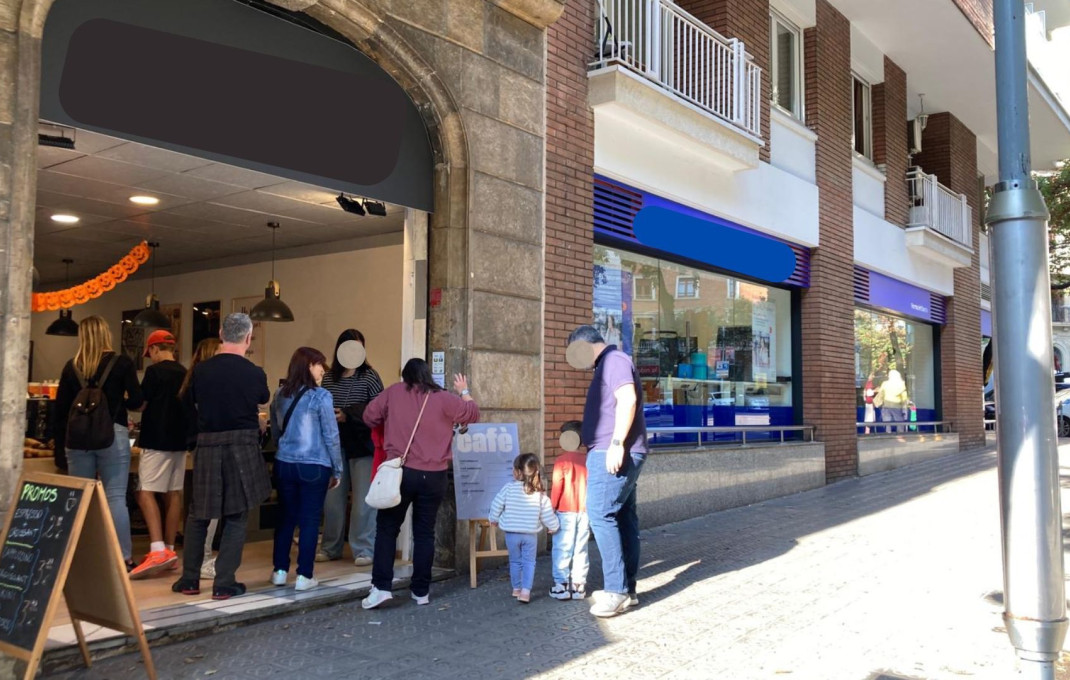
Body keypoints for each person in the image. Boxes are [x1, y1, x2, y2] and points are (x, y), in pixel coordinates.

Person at [360, 359, 480, 609]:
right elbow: (473, 415)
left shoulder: (393, 392)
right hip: (434, 476)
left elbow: (369, 416)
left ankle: (382, 587)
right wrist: (464, 392)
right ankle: (421, 591)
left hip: (400, 473)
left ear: (405, 375)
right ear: (428, 375)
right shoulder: (444, 398)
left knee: (387, 529)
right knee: (425, 533)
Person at [172, 313, 272, 601]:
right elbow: (262, 398)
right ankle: (224, 582)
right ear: (248, 337)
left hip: (207, 445)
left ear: (220, 333)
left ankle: (189, 579)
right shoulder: (254, 373)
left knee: (198, 515)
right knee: (237, 515)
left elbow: (190, 403)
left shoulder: (201, 371)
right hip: (241, 444)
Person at [566, 324, 647, 618]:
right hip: (618, 451)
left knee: (600, 514)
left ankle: (616, 590)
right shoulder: (611, 362)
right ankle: (627, 589)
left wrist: (616, 444)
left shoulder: (614, 361)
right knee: (623, 517)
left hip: (612, 454)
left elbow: (627, 399)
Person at [55, 316, 144, 571]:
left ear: (82, 336)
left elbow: (60, 411)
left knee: (78, 498)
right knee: (115, 497)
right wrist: (117, 403)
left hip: (77, 439)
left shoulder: (71, 367)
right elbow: (137, 399)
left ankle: (77, 558)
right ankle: (123, 558)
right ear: (106, 334)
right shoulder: (121, 363)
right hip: (112, 434)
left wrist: (59, 449)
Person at [270, 347, 343, 592]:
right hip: (314, 465)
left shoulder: (280, 393)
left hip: (284, 464)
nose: (322, 370)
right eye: (319, 364)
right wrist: (337, 468)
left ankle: (279, 572)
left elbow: (275, 431)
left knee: (286, 518)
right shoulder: (321, 396)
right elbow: (331, 435)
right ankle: (304, 576)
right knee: (310, 520)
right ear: (308, 366)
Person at [318, 329, 384, 567]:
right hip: (334, 443)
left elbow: (379, 409)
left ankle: (364, 548)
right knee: (332, 498)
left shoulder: (370, 376)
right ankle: (330, 546)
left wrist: (348, 414)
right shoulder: (328, 377)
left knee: (363, 500)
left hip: (362, 443)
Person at [130, 330, 188, 579]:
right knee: (173, 493)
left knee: (144, 492)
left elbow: (141, 403)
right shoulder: (185, 372)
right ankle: (170, 550)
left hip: (156, 438)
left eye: (150, 353)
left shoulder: (154, 372)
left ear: (154, 349)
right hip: (180, 439)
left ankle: (156, 549)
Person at [489, 453, 559, 604]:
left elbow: (496, 505)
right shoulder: (539, 495)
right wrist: (553, 527)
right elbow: (547, 514)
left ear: (519, 472)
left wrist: (493, 519)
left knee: (515, 561)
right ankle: (526, 592)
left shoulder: (508, 488)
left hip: (512, 534)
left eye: (513, 469)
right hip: (530, 535)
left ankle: (516, 589)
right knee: (529, 562)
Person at [180, 337, 222, 580]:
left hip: (197, 445)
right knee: (211, 506)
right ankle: (204, 558)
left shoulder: (191, 380)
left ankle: (196, 560)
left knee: (201, 506)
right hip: (208, 445)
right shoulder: (205, 383)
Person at [549, 420, 590, 601]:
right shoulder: (588, 459)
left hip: (565, 510)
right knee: (581, 547)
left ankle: (561, 585)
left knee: (562, 547)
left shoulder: (561, 461)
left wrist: (551, 508)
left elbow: (557, 488)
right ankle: (579, 586)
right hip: (585, 510)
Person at [876, 369, 910, 433]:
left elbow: (881, 394)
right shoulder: (901, 384)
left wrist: (879, 403)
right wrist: (905, 408)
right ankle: (900, 435)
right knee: (899, 422)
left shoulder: (885, 383)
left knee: (887, 423)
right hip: (897, 406)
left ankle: (888, 435)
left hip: (886, 406)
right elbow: (904, 398)